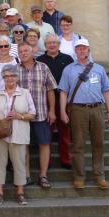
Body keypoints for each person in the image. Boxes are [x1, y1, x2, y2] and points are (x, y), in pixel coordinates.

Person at [59, 38, 109, 189]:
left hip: (97, 109)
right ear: (75, 51)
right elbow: (63, 92)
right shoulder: (69, 69)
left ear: (89, 50)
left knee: (99, 143)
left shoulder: (99, 69)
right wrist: (63, 111)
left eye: (84, 48)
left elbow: (106, 90)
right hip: (77, 110)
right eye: (79, 48)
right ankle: (79, 176)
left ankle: (99, 175)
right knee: (78, 144)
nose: (82, 50)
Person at [0, 64, 35, 206]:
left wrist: (19, 115)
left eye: (12, 75)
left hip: (19, 133)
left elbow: (33, 114)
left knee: (19, 164)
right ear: (3, 78)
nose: (9, 79)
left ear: (17, 77)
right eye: (6, 76)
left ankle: (20, 193)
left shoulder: (25, 93)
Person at [16, 42, 58, 189]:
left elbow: (51, 90)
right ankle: (26, 175)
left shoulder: (43, 67)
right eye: (20, 52)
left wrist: (52, 110)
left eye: (26, 50)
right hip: (22, 115)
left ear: (32, 51)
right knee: (24, 146)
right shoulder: (15, 70)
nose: (23, 53)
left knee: (44, 143)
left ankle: (43, 175)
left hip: (41, 113)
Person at [37, 34, 75, 169]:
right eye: (49, 43)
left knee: (64, 130)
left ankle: (66, 159)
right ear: (45, 45)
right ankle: (46, 161)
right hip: (46, 100)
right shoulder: (40, 60)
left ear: (58, 44)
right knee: (47, 131)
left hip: (64, 99)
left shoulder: (67, 59)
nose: (52, 45)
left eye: (54, 42)